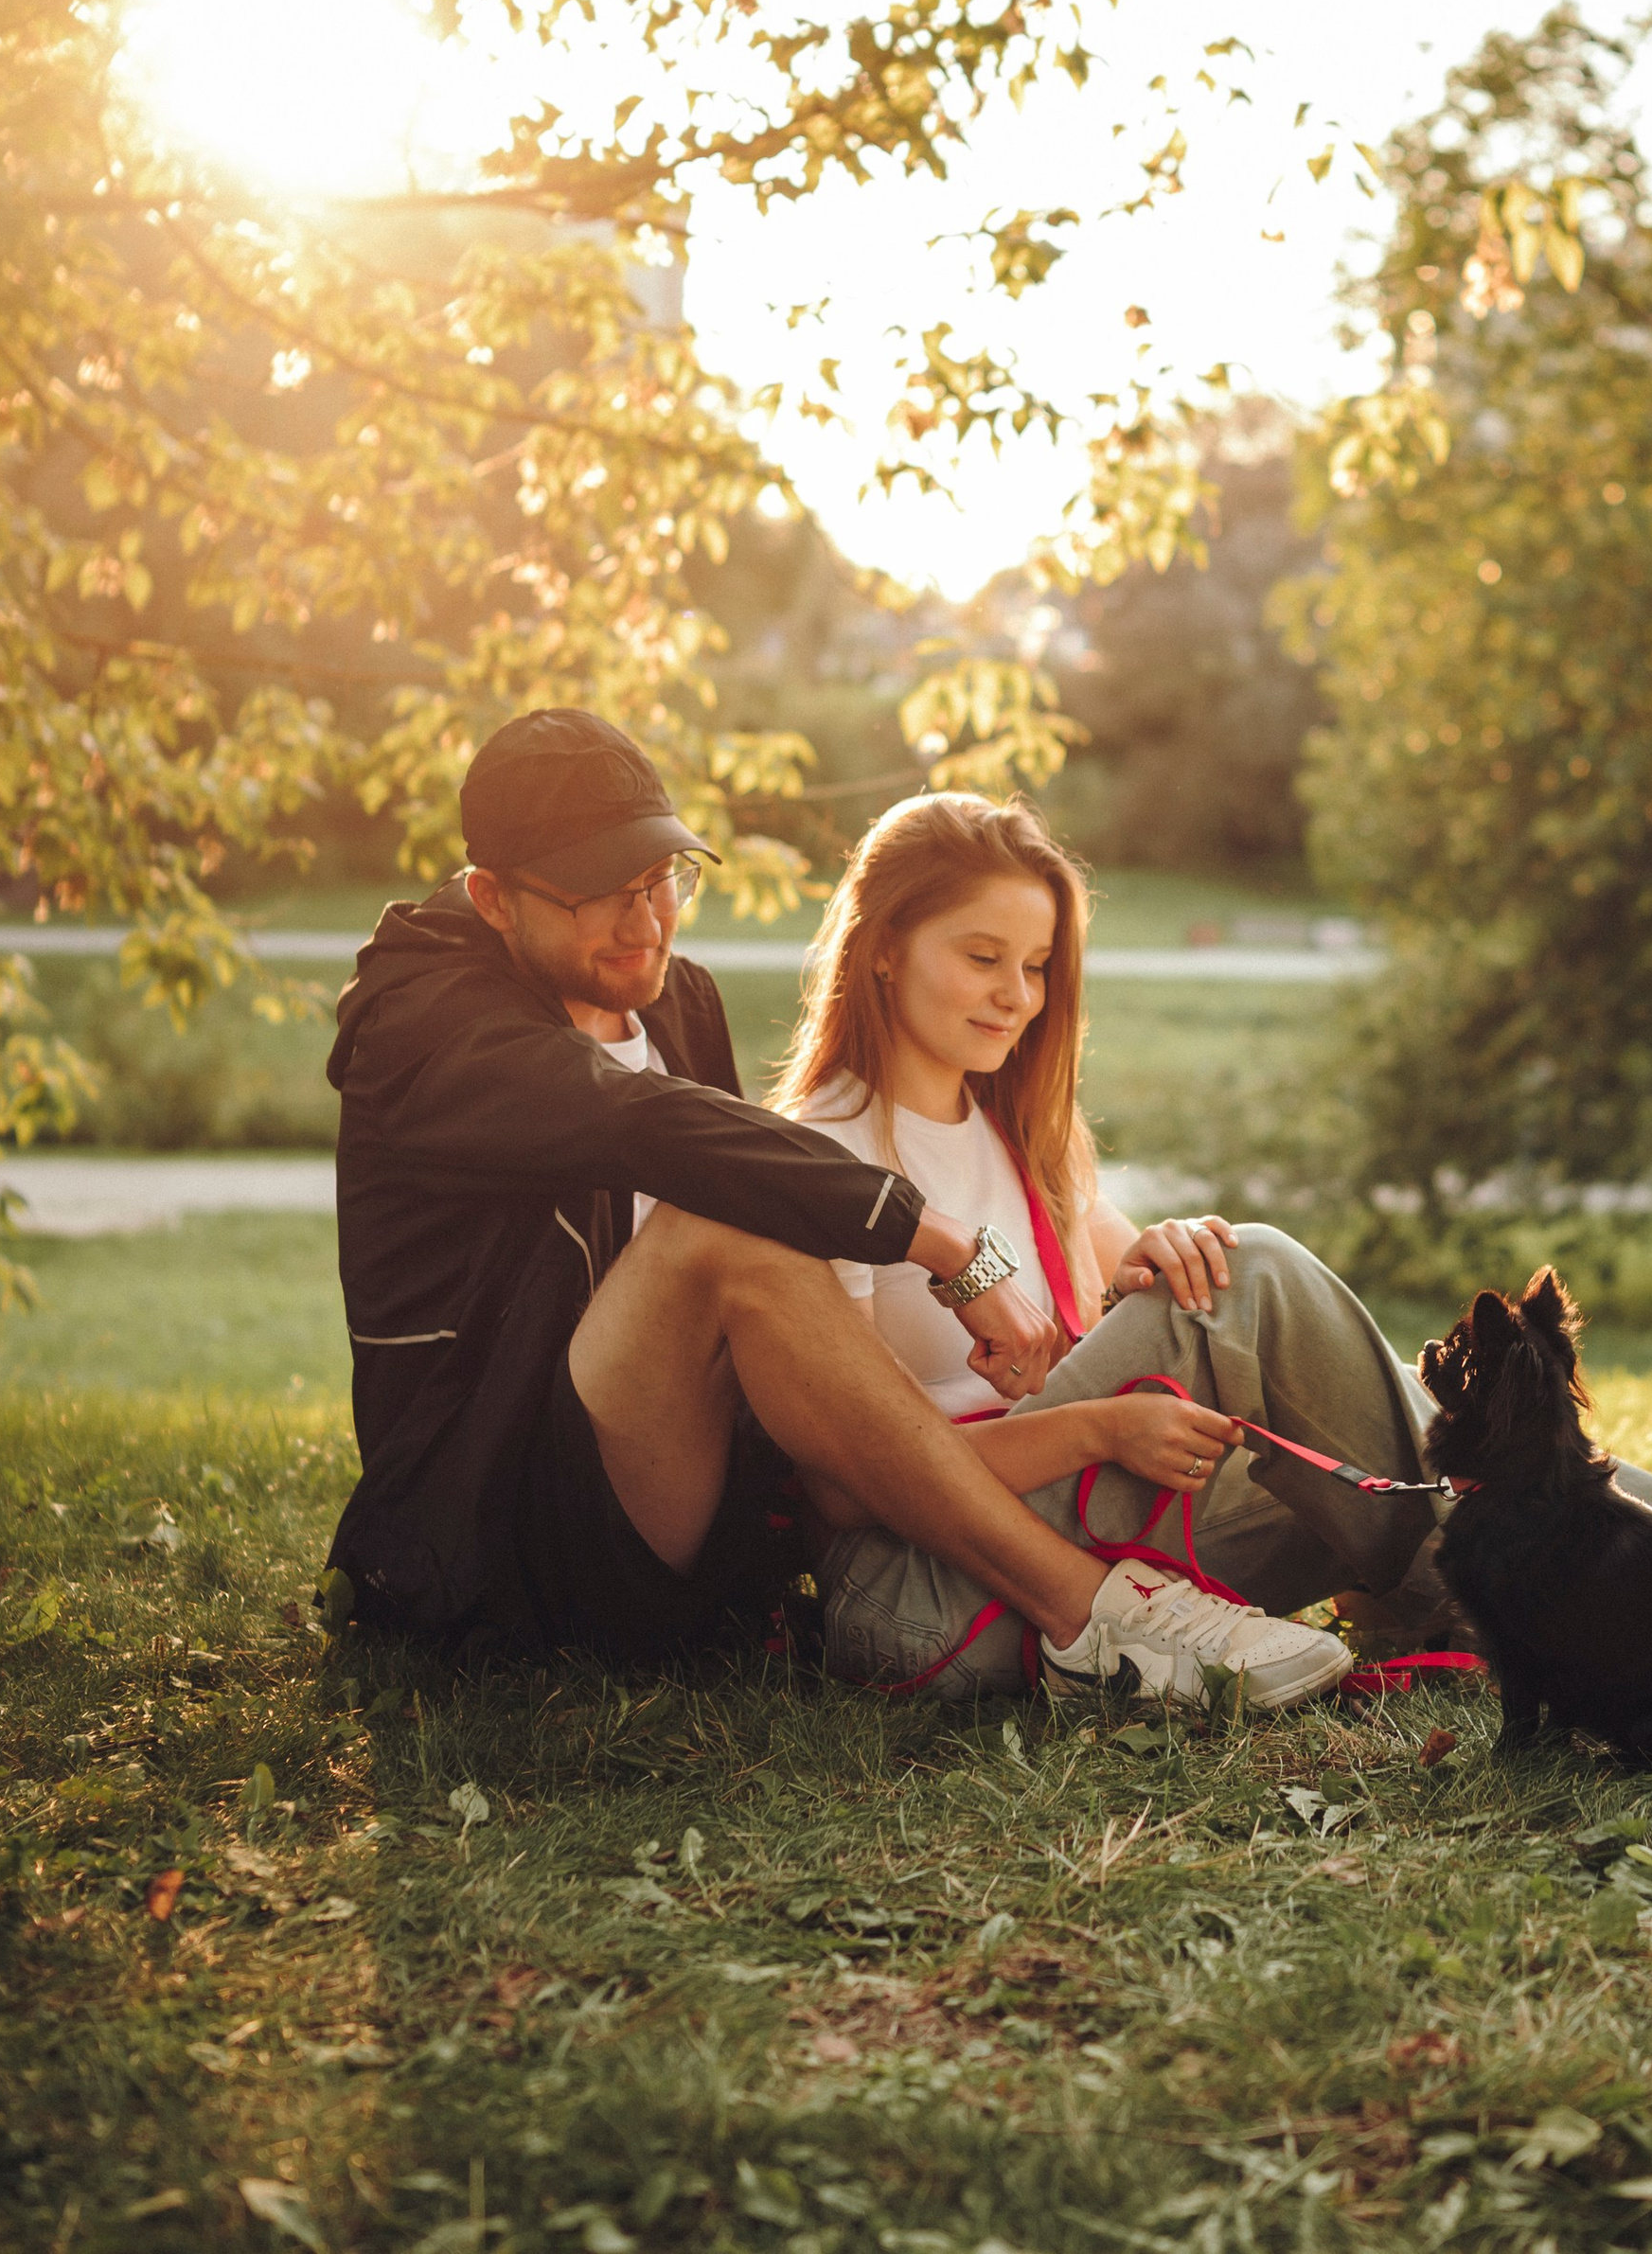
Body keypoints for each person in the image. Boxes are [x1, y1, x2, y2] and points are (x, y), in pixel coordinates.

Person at [773, 791, 1652, 1698]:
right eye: (980, 958)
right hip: (934, 1601)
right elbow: (849, 1483)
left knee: (1305, 1332)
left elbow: (1134, 1298)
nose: (1015, 996)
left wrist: (1168, 1253)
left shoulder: (1024, 1139)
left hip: (1098, 1546)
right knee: (1261, 1279)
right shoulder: (818, 1164)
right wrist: (1099, 1419)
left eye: (1037, 966)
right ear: (883, 946)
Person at [322, 708, 1357, 1709]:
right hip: (499, 1525)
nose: (646, 925)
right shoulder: (425, 1024)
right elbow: (653, 1131)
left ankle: (1438, 1536)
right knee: (723, 1215)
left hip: (665, 1506)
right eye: (600, 895)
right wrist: (945, 1245)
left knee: (751, 1213)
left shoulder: (673, 995)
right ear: (493, 898)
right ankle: (1089, 1616)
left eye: (660, 880)